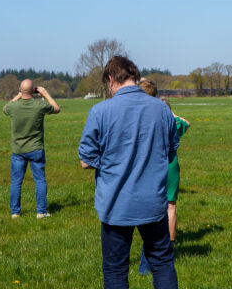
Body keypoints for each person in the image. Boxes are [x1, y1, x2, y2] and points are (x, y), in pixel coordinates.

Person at [79, 56, 179, 289]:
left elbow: (86, 160)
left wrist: (112, 162)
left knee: (115, 271)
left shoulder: (99, 111)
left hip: (116, 204)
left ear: (111, 80)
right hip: (153, 202)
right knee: (162, 264)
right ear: (135, 77)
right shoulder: (161, 109)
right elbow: (171, 150)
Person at [136, 80, 191, 275]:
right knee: (170, 207)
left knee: (150, 212)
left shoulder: (141, 118)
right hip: (170, 164)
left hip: (149, 167)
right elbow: (186, 123)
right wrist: (171, 113)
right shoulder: (171, 121)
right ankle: (169, 245)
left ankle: (147, 262)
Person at [2, 79, 60, 218]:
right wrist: (45, 94)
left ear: (21, 90)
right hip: (36, 149)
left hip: (18, 150)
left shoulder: (13, 107)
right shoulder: (39, 106)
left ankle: (15, 213)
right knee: (39, 180)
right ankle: (41, 211)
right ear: (34, 90)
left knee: (16, 182)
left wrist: (18, 95)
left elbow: (5, 108)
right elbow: (56, 108)